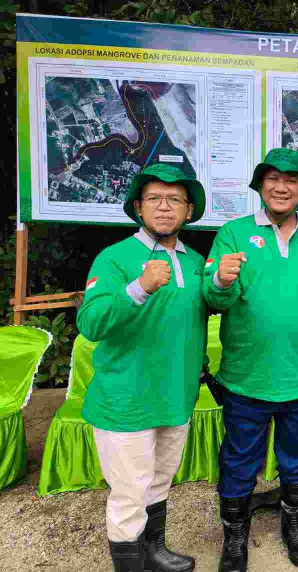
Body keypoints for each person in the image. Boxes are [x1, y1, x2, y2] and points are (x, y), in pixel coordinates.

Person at [203, 148, 298, 571]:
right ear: (261, 185)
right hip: (248, 376)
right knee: (239, 459)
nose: (282, 187)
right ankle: (235, 539)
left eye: (291, 180)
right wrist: (220, 279)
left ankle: (293, 524)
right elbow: (213, 298)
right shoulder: (233, 234)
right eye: (273, 179)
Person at [77, 159, 208, 572]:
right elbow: (91, 323)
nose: (165, 207)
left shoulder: (195, 261)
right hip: (126, 401)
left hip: (175, 397)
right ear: (138, 207)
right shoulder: (115, 258)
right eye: (155, 198)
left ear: (189, 210)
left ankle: (154, 553)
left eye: (175, 199)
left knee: (159, 482)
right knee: (129, 495)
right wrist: (138, 288)